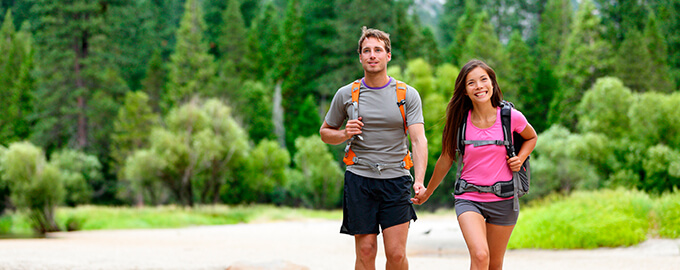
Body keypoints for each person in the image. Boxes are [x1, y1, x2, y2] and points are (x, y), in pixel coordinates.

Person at [411, 59, 537, 270]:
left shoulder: (510, 117)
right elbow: (446, 158)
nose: (479, 86)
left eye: (483, 80)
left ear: (493, 84)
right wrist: (428, 191)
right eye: (471, 83)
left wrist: (520, 158)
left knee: (494, 264)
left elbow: (531, 137)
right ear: (464, 91)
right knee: (480, 256)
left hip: (504, 199)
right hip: (469, 198)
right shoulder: (459, 121)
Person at [319, 26, 428, 270]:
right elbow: (325, 133)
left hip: (396, 179)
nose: (372, 55)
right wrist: (344, 133)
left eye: (378, 50)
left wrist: (419, 180)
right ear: (360, 57)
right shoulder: (346, 94)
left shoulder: (407, 94)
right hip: (360, 179)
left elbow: (419, 140)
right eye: (366, 51)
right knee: (366, 251)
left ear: (388, 55)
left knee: (397, 254)